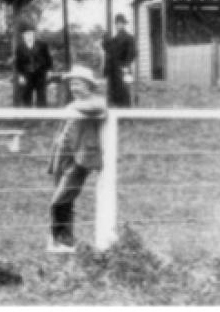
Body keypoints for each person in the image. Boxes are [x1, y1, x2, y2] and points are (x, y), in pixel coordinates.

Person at [46, 64, 106, 253]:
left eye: (78, 83)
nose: (74, 87)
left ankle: (61, 237)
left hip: (80, 157)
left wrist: (73, 107)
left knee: (60, 198)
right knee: (66, 199)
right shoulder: (71, 104)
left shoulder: (94, 102)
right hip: (61, 155)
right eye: (71, 84)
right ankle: (63, 241)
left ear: (89, 85)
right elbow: (62, 130)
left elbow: (99, 108)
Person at [14, 22, 53, 107]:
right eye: (26, 34)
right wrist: (21, 75)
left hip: (40, 74)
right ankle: (28, 116)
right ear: (23, 35)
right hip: (26, 74)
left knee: (41, 95)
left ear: (34, 34)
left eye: (31, 34)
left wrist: (49, 71)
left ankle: (43, 117)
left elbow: (48, 58)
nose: (29, 36)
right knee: (26, 95)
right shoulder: (19, 47)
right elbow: (18, 62)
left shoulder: (42, 45)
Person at [102, 13, 136, 107]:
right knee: (112, 94)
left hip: (123, 69)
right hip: (112, 70)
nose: (119, 25)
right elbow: (107, 49)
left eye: (121, 23)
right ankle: (113, 115)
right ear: (115, 24)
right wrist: (105, 39)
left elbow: (133, 53)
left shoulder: (129, 38)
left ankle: (126, 117)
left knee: (124, 92)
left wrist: (125, 65)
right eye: (117, 23)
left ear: (124, 24)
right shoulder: (113, 39)